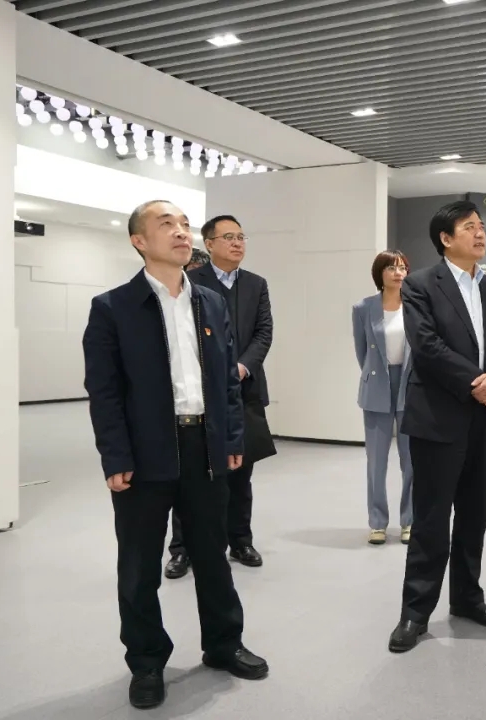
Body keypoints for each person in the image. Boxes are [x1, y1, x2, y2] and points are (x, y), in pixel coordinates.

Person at [83, 200, 268, 710]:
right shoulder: (113, 307)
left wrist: (232, 440)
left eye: (185, 224)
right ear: (139, 241)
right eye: (167, 224)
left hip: (204, 445)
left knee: (212, 553)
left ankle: (224, 643)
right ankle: (146, 662)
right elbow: (104, 392)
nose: (182, 232)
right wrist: (115, 456)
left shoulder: (210, 303)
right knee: (140, 564)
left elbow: (227, 382)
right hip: (144, 451)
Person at [388, 200, 486, 654]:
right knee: (430, 519)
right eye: (469, 227)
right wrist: (477, 383)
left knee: (473, 514)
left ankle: (467, 598)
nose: (480, 233)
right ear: (446, 239)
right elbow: (426, 346)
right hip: (439, 419)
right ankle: (415, 612)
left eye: (481, 226)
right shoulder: (421, 284)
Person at [165, 214, 274, 579]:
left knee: (241, 474)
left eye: (241, 236)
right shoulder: (190, 282)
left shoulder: (256, 284)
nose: (237, 242)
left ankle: (240, 540)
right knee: (191, 476)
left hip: (244, 390)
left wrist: (241, 367)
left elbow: (263, 333)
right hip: (201, 393)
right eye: (228, 237)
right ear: (209, 244)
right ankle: (182, 549)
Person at [352, 250, 414, 546]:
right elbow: (361, 351)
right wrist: (375, 375)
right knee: (376, 461)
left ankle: (409, 520)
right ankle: (377, 522)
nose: (398, 273)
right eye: (391, 268)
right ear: (380, 273)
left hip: (410, 385)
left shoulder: (417, 306)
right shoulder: (363, 307)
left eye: (402, 268)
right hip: (377, 384)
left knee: (411, 460)